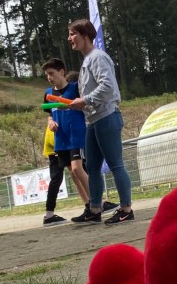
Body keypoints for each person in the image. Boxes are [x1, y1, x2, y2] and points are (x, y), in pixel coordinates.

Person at [66, 19, 135, 225]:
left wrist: (85, 101)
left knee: (116, 164)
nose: (69, 38)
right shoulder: (88, 60)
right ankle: (95, 209)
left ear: (85, 35)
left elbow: (108, 87)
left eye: (72, 34)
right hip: (93, 120)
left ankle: (126, 209)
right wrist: (74, 104)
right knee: (92, 166)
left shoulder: (98, 57)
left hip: (106, 116)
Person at [41, 58, 90, 226]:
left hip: (76, 135)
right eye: (47, 75)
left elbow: (85, 106)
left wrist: (69, 106)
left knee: (78, 168)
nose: (49, 77)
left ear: (61, 72)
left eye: (51, 73)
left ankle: (96, 202)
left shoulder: (75, 88)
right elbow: (49, 113)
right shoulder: (48, 93)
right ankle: (88, 205)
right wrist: (50, 122)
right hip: (60, 139)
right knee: (73, 174)